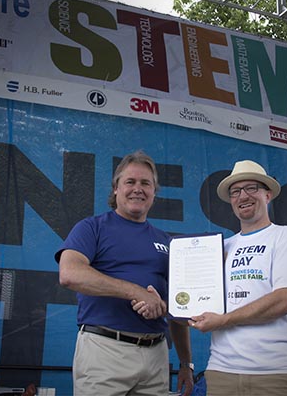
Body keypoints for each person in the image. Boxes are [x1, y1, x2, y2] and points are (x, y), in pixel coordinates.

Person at [56, 150, 194, 396]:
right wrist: (136, 292)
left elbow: (179, 307)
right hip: (105, 351)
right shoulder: (91, 227)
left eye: (146, 183)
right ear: (116, 189)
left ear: (154, 192)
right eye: (130, 182)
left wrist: (186, 363)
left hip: (156, 355)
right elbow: (70, 273)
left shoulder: (167, 242)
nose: (138, 189)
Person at [188, 160, 287, 396]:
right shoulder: (221, 249)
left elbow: (285, 300)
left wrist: (224, 320)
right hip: (221, 372)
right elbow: (195, 300)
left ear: (267, 195)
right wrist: (166, 302)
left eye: (251, 188)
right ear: (231, 201)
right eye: (236, 191)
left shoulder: (285, 236)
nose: (243, 196)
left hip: (276, 374)